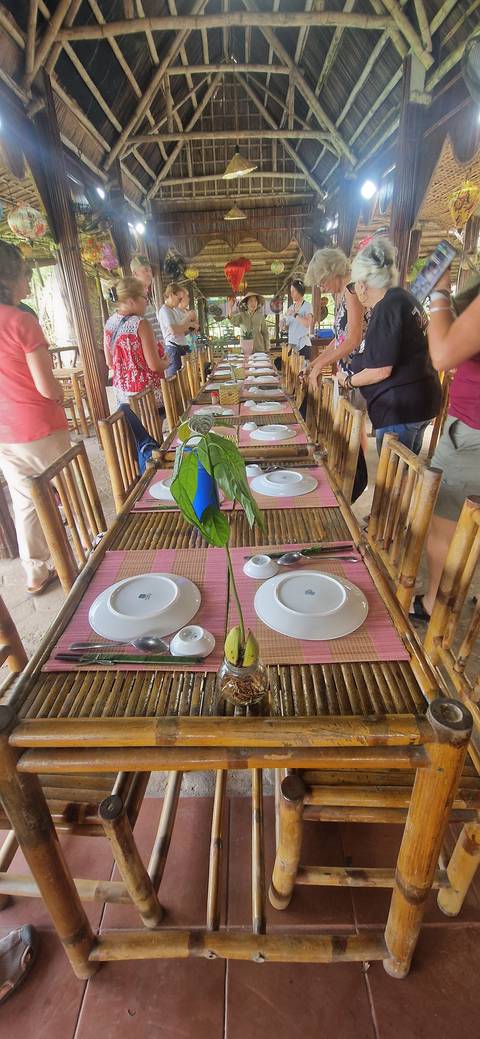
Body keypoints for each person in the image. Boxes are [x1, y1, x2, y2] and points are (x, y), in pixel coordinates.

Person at [0, 242, 70, 595]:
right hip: (41, 425)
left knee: (25, 501)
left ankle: (36, 572)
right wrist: (60, 395)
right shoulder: (21, 321)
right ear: (11, 277)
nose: (28, 282)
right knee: (71, 490)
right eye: (26, 274)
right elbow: (46, 386)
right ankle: (87, 553)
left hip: (5, 432)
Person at [411, 271, 480, 621]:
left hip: (472, 432)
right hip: (469, 426)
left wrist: (439, 292)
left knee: (446, 523)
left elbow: (442, 355)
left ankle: (435, 603)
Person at [339, 237, 441, 456]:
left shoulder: (387, 307)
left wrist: (348, 381)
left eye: (354, 287)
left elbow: (380, 370)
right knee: (403, 479)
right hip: (418, 401)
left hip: (401, 408)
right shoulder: (404, 298)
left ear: (362, 284)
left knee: (393, 484)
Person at [304, 247, 366, 393]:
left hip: (361, 374)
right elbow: (339, 340)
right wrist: (315, 364)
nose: (323, 289)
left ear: (333, 271)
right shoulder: (342, 294)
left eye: (323, 282)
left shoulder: (353, 290)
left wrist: (321, 364)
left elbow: (353, 340)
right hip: (349, 375)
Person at [103, 276, 168, 409]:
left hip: (122, 393)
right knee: (151, 429)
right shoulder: (141, 324)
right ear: (131, 301)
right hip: (145, 394)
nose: (147, 302)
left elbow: (110, 363)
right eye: (145, 297)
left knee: (133, 429)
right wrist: (167, 362)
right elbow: (155, 365)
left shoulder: (109, 324)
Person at [158, 282, 197, 376]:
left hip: (182, 347)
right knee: (175, 379)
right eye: (179, 298)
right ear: (171, 295)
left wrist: (188, 325)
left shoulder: (173, 310)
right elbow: (174, 330)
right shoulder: (164, 310)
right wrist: (188, 321)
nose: (180, 301)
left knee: (186, 379)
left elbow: (182, 329)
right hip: (174, 348)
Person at [130, 254, 163, 348]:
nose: (150, 274)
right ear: (135, 274)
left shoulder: (146, 296)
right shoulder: (134, 298)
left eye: (150, 271)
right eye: (145, 270)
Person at [226, 292, 270, 359]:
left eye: (255, 301)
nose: (253, 303)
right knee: (247, 368)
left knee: (260, 368)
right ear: (246, 304)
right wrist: (230, 307)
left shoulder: (261, 316)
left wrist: (267, 347)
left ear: (257, 303)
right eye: (251, 301)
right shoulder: (242, 315)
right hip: (245, 350)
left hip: (259, 349)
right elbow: (232, 321)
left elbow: (265, 333)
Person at [282, 279, 313, 359]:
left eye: (294, 291)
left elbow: (307, 324)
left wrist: (295, 314)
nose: (291, 293)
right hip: (292, 345)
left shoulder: (307, 306)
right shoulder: (291, 307)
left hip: (303, 344)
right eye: (291, 291)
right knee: (292, 370)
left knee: (303, 370)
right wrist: (283, 325)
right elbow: (287, 327)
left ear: (300, 291)